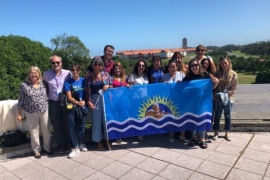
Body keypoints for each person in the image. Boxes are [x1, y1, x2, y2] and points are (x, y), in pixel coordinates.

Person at [17, 66, 53, 158]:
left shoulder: (44, 84)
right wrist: (19, 114)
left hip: (44, 110)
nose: (33, 74)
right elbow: (20, 101)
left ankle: (47, 148)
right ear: (29, 74)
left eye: (35, 73)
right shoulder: (24, 85)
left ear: (39, 74)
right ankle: (37, 150)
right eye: (31, 73)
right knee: (34, 131)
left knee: (46, 130)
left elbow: (49, 96)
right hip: (30, 112)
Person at [183, 59, 219, 149]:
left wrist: (215, 81)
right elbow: (181, 88)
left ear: (199, 65)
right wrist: (177, 84)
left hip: (203, 102)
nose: (194, 67)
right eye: (192, 66)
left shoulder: (205, 76)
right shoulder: (188, 77)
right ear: (190, 67)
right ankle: (194, 138)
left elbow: (213, 86)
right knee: (192, 120)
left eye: (196, 65)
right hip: (191, 103)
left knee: (201, 120)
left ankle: (202, 139)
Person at [43, 55, 72, 153]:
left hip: (65, 101)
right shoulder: (46, 75)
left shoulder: (68, 73)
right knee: (56, 125)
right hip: (53, 102)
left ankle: (69, 144)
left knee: (67, 123)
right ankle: (61, 145)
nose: (55, 64)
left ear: (61, 63)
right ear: (51, 64)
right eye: (53, 62)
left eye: (57, 62)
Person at [86, 56, 111, 150]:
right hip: (94, 99)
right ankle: (98, 141)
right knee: (96, 121)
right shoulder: (89, 76)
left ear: (102, 66)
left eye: (100, 64)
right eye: (96, 64)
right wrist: (89, 101)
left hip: (105, 99)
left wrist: (108, 86)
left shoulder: (106, 75)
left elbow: (112, 85)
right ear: (93, 65)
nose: (98, 66)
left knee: (106, 120)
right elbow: (87, 89)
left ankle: (107, 139)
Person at [64, 64, 88, 158]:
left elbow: (87, 93)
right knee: (72, 127)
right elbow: (69, 97)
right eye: (73, 70)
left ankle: (81, 143)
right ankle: (75, 147)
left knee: (82, 126)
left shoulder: (84, 81)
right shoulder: (68, 83)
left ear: (79, 70)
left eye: (77, 70)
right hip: (73, 107)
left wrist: (84, 101)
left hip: (82, 107)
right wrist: (78, 103)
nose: (75, 71)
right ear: (71, 71)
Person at [161, 59, 187, 143]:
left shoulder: (182, 75)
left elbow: (187, 87)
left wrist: (182, 85)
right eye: (170, 67)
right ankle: (171, 133)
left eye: (173, 67)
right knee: (170, 117)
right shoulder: (164, 76)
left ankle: (182, 134)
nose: (172, 69)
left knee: (182, 116)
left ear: (177, 67)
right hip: (169, 101)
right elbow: (160, 89)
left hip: (180, 100)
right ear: (168, 68)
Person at [213, 56, 238, 141]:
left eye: (225, 63)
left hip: (228, 97)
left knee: (228, 115)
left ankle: (227, 131)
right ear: (220, 64)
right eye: (222, 63)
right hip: (218, 97)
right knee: (217, 115)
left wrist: (227, 94)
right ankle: (216, 131)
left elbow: (234, 87)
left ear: (229, 63)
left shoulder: (233, 74)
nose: (224, 65)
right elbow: (214, 85)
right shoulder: (217, 73)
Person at [128, 60, 149, 141]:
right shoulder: (133, 76)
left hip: (145, 99)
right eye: (139, 65)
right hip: (136, 99)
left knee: (144, 115)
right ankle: (138, 133)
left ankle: (143, 131)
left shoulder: (146, 76)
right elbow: (129, 89)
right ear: (137, 66)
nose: (141, 67)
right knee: (137, 116)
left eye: (143, 66)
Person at [110, 62, 130, 144]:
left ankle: (123, 134)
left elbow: (129, 89)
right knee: (116, 118)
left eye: (119, 68)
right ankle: (118, 136)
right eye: (116, 69)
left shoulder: (125, 78)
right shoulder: (111, 78)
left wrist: (128, 85)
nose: (117, 70)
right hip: (115, 102)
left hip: (124, 101)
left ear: (122, 69)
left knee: (123, 118)